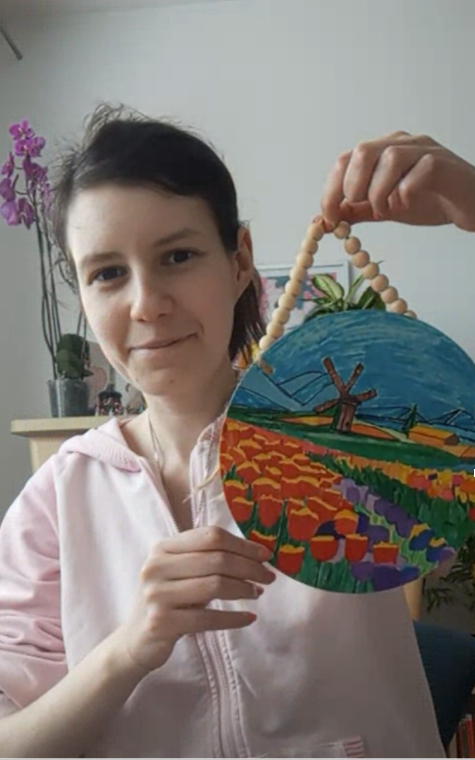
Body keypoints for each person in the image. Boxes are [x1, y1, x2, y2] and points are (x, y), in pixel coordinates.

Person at [0, 107, 474, 759]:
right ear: (81, 295)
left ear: (239, 259)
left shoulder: (346, 436)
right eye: (107, 273)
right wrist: (129, 649)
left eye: (178, 256)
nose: (146, 303)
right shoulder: (59, 498)